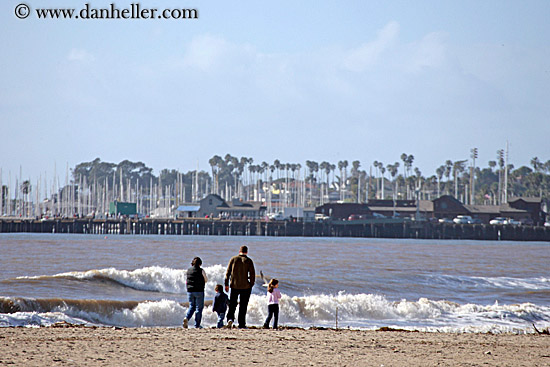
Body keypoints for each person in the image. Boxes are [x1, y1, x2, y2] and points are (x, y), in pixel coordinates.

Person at [225, 245, 255, 329]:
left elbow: (228, 273)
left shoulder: (233, 259)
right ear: (246, 252)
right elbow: (252, 274)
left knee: (232, 304)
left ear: (239, 251)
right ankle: (241, 324)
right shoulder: (249, 261)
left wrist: (226, 284)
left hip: (234, 286)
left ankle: (230, 319)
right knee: (243, 306)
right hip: (245, 287)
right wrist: (251, 284)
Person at [183, 257, 208, 329]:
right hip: (199, 290)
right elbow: (206, 280)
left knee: (191, 306)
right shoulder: (201, 270)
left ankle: (186, 318)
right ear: (200, 264)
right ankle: (197, 325)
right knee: (198, 308)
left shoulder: (188, 270)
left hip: (190, 291)